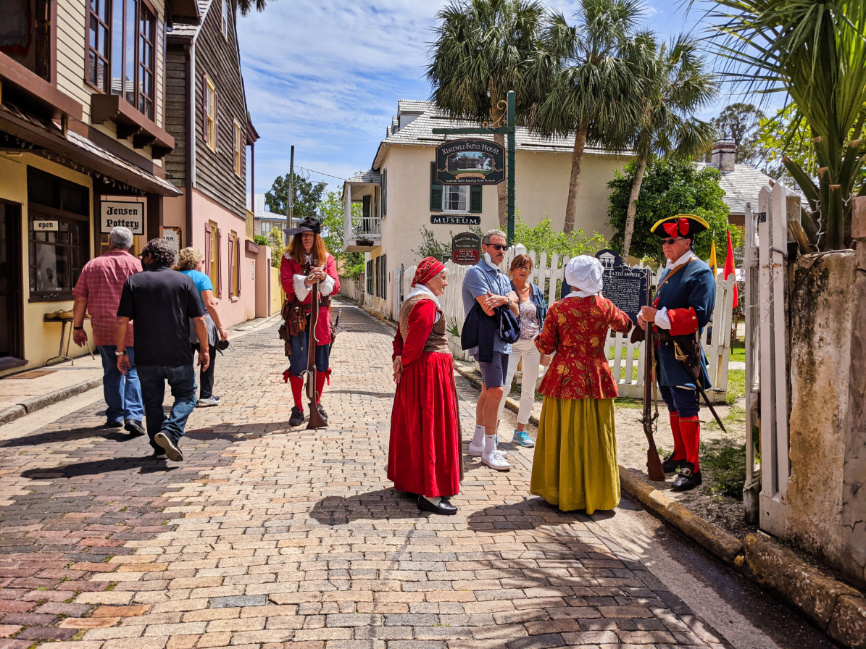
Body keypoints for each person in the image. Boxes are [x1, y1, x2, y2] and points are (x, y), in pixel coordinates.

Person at [531, 256, 632, 513]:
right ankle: (597, 493)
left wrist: (536, 338)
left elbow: (546, 345)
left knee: (563, 431)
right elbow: (625, 325)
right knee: (596, 433)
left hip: (565, 375)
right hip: (596, 375)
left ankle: (560, 490)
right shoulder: (605, 305)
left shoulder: (557, 308)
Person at [637, 214, 716, 491]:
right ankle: (680, 453)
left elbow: (699, 315)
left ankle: (692, 467)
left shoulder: (700, 272)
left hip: (683, 351)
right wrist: (645, 316)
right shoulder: (670, 270)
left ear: (687, 242)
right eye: (664, 241)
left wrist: (656, 315)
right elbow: (659, 305)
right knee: (672, 404)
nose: (666, 246)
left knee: (685, 406)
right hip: (664, 350)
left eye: (671, 241)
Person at [115, 238, 209, 462]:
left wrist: (120, 352)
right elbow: (199, 320)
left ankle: (159, 447)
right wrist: (204, 349)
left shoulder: (134, 282)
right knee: (186, 395)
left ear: (150, 257)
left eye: (143, 255)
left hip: (147, 355)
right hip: (178, 353)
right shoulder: (184, 281)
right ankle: (169, 432)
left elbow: (122, 321)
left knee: (152, 402)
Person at [389, 258, 462, 515]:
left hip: (417, 370)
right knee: (432, 426)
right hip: (428, 371)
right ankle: (430, 493)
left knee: (417, 425)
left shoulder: (411, 301)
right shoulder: (427, 304)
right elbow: (415, 344)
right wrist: (404, 362)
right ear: (429, 278)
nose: (445, 281)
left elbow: (399, 338)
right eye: (442, 276)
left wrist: (399, 361)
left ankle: (414, 481)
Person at [72, 226, 144, 435]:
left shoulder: (92, 265)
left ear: (110, 242)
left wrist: (77, 327)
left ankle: (114, 415)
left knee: (111, 371)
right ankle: (133, 415)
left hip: (103, 328)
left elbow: (80, 299)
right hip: (131, 328)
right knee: (132, 371)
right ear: (130, 244)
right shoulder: (137, 265)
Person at [461, 229, 519, 471]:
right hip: (486, 341)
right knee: (496, 390)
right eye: (497, 246)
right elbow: (488, 308)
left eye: (504, 247)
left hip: (502, 340)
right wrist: (507, 301)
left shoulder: (503, 277)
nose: (502, 251)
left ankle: (477, 442)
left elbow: (515, 307)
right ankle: (490, 450)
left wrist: (506, 299)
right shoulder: (476, 272)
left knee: (488, 389)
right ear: (484, 247)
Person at [280, 217, 340, 427]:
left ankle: (317, 402)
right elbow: (287, 284)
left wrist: (323, 277)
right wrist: (305, 280)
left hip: (320, 318)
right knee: (297, 362)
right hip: (297, 317)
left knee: (321, 363)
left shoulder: (327, 258)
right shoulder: (288, 258)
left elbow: (336, 286)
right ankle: (298, 407)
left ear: (316, 238)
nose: (306, 238)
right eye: (303, 235)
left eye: (310, 235)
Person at [497, 254, 549, 448]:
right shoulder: (505, 289)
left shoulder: (535, 291)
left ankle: (520, 431)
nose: (523, 270)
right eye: (519, 266)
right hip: (511, 343)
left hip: (533, 344)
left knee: (528, 390)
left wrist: (544, 349)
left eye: (527, 267)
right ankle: (493, 430)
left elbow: (541, 319)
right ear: (512, 269)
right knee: (503, 387)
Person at [174, 247, 228, 407]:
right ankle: (205, 395)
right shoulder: (202, 278)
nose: (202, 264)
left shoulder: (175, 277)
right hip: (202, 321)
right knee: (207, 357)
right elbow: (210, 304)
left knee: (185, 360)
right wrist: (220, 326)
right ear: (196, 262)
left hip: (181, 323)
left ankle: (184, 395)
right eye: (202, 261)